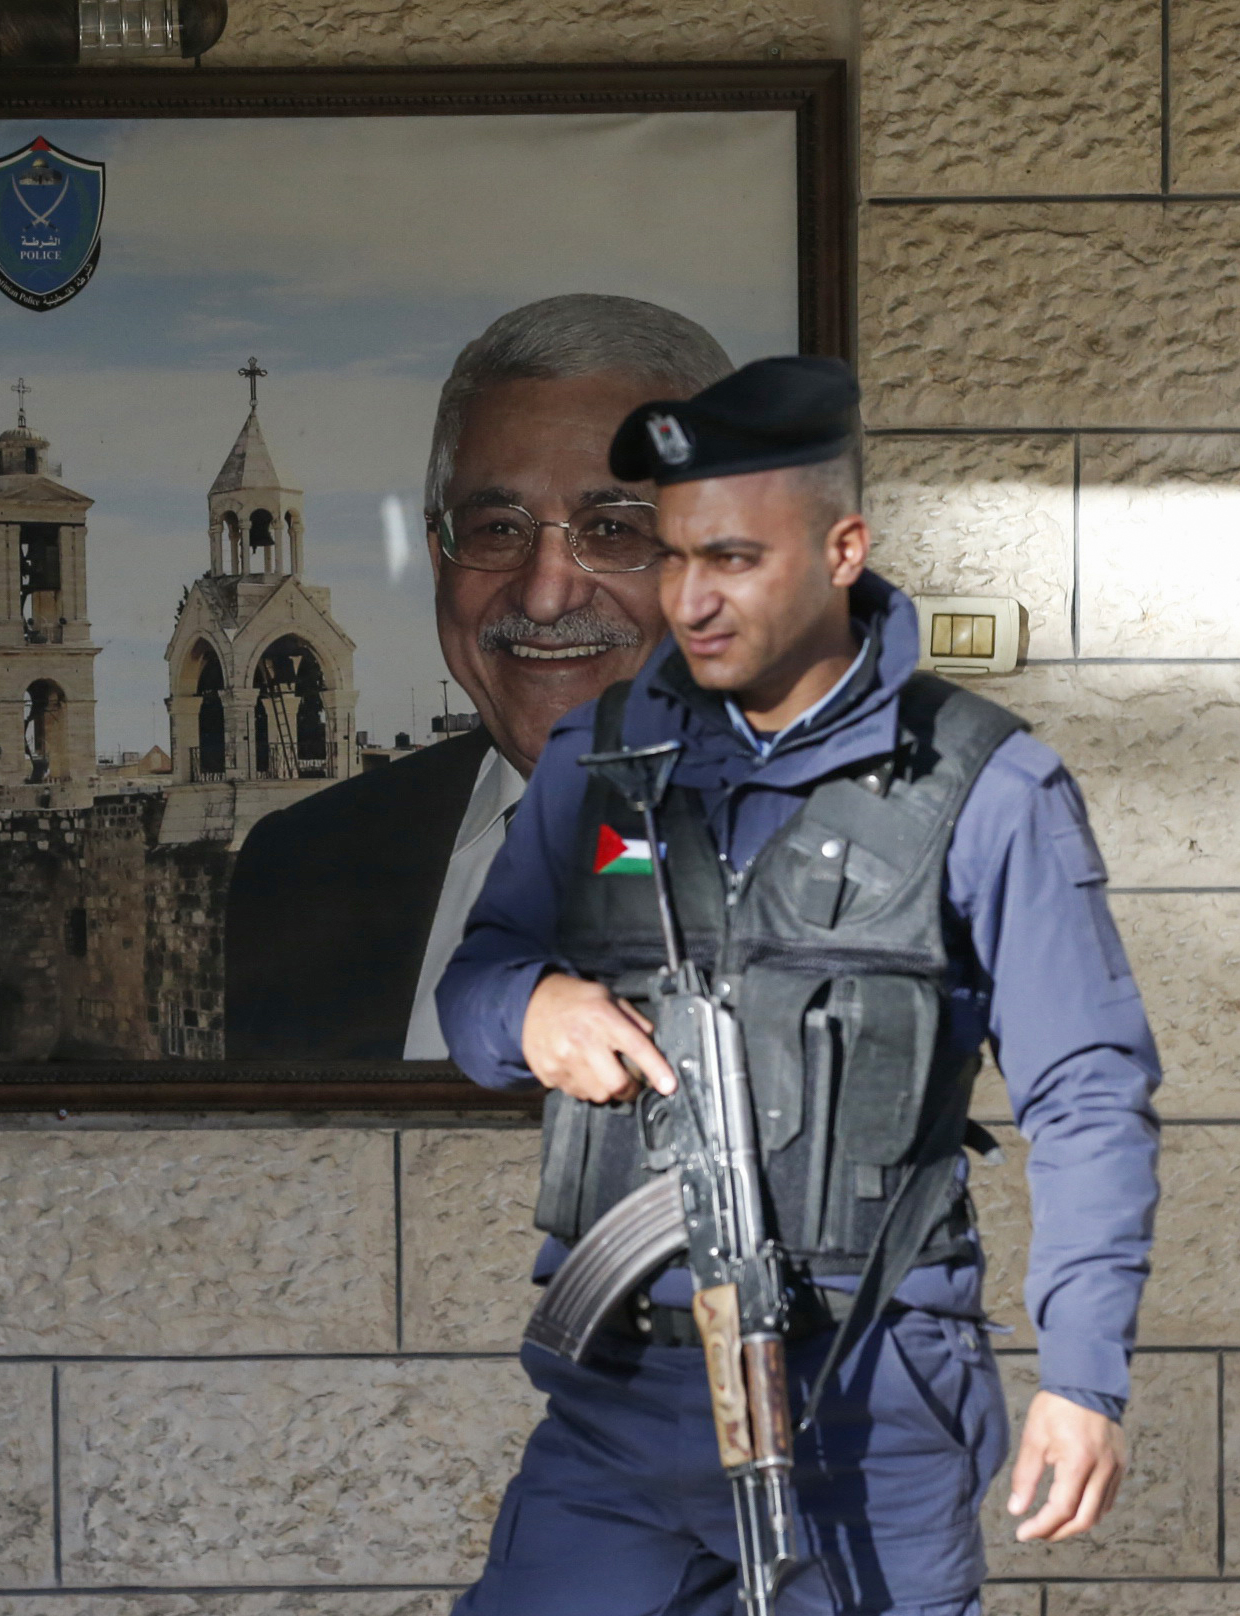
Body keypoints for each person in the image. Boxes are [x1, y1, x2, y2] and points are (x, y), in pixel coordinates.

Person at [437, 356, 1162, 1614]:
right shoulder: (605, 759)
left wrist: (1083, 1376)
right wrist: (531, 1008)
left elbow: (1089, 1092)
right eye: (670, 558)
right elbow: (477, 982)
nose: (691, 599)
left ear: (842, 549)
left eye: (733, 559)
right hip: (624, 1405)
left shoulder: (985, 787)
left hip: (865, 1405)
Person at [224, 295, 733, 1060]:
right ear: (438, 558)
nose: (545, 592)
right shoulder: (304, 869)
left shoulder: (869, 856)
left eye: (615, 528)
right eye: (499, 530)